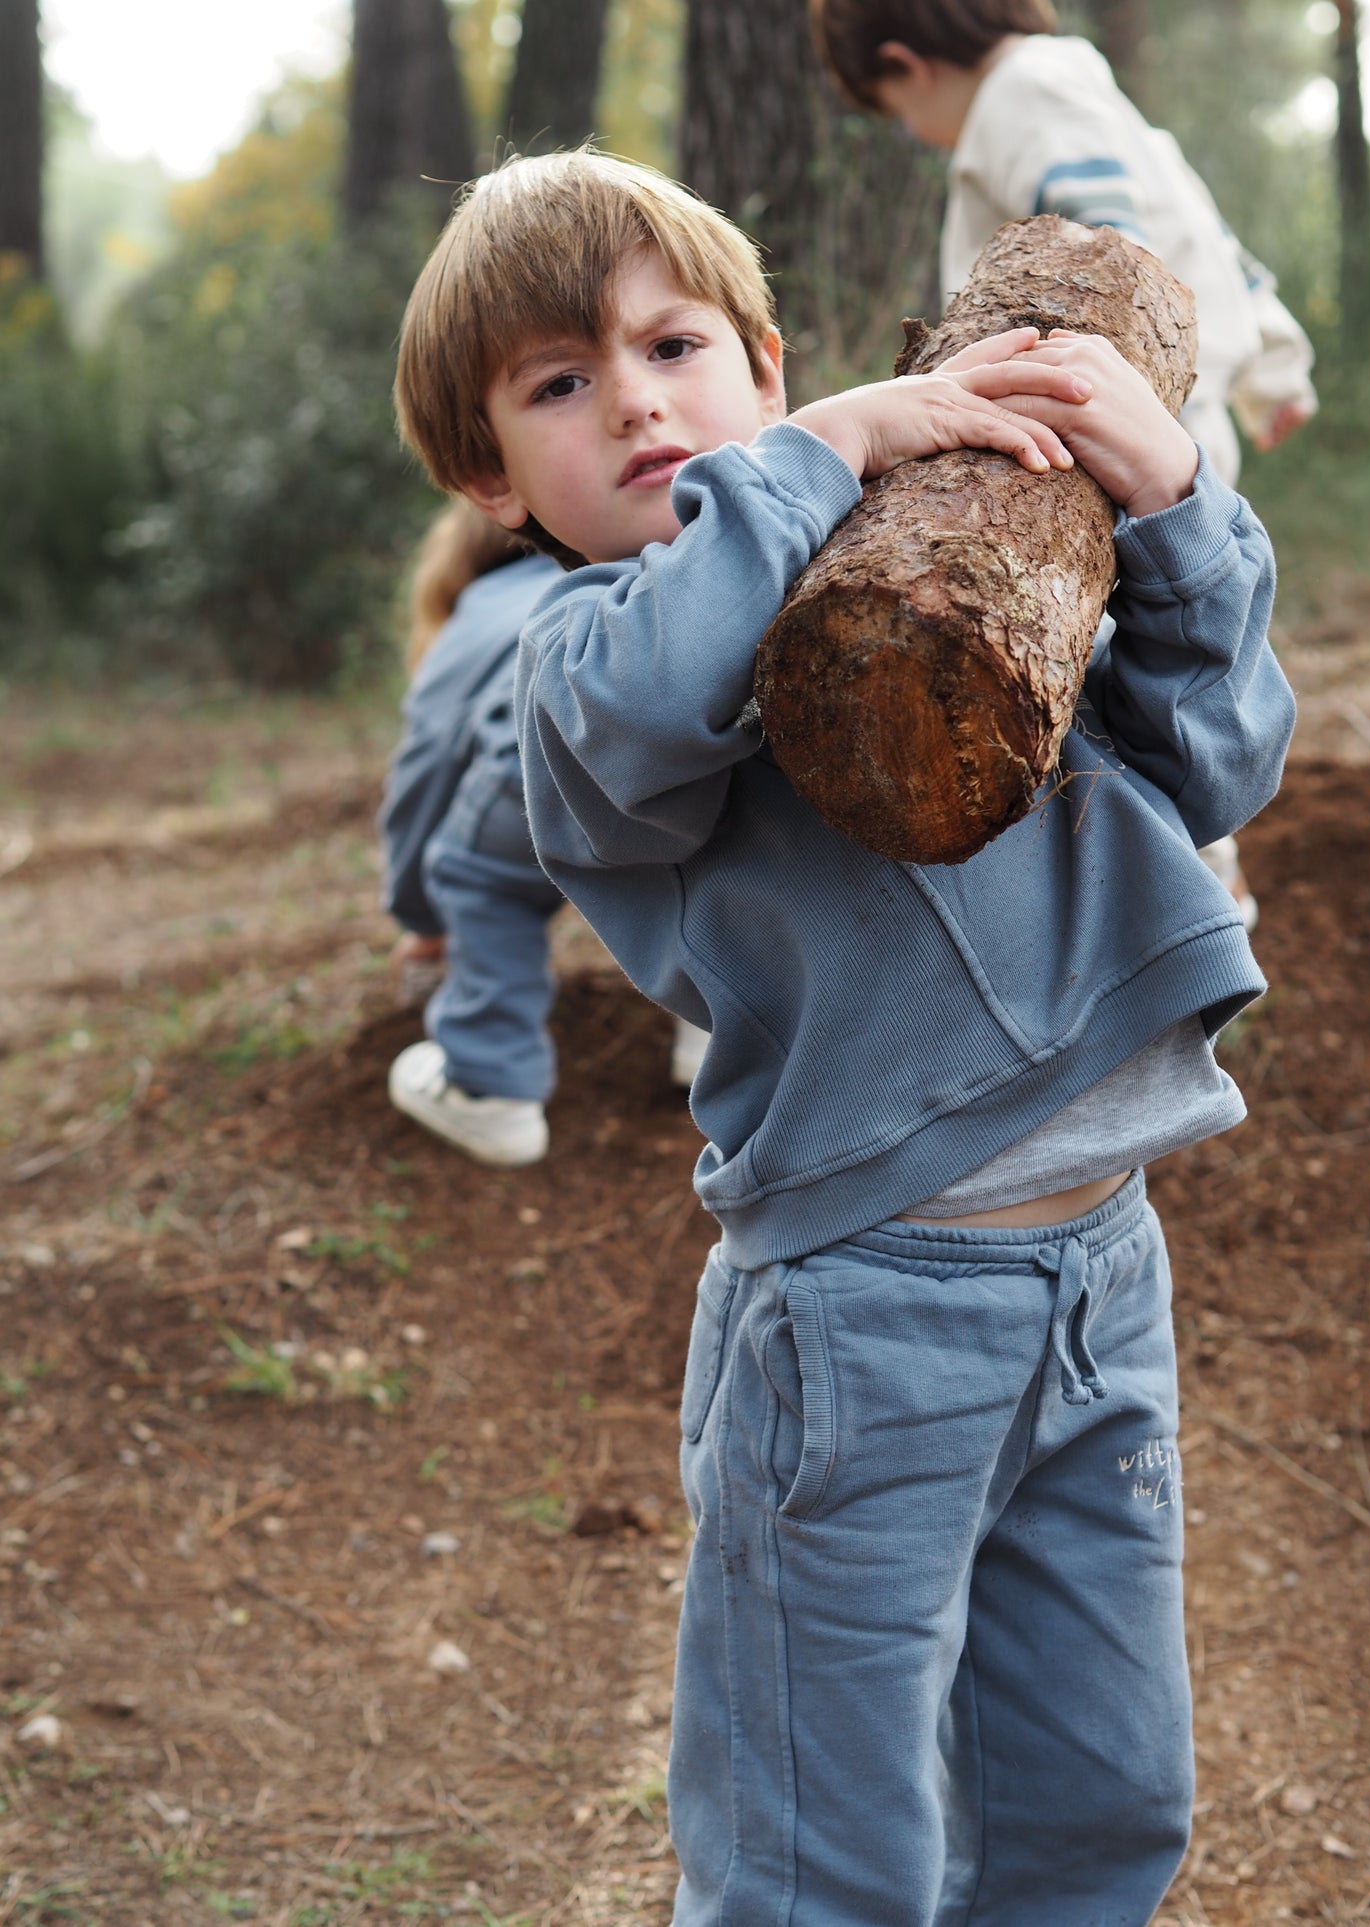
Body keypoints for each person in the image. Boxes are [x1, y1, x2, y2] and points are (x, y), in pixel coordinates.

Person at [393, 148, 1293, 1922]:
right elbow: (660, 699)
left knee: (1104, 1796)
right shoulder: (577, 657)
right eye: (562, 385)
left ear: (767, 359)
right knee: (822, 1844)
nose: (639, 401)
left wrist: (1175, 497)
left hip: (1104, 1276)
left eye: (674, 347)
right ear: (494, 479)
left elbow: (1220, 756)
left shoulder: (964, 574)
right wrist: (819, 462)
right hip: (862, 1306)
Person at [809, 0, 1314, 931]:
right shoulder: (1082, 80)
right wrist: (1279, 359)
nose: (916, 135)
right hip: (1164, 410)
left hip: (1102, 421)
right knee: (1161, 645)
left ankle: (1192, 882)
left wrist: (1095, 369)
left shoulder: (1021, 93)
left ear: (904, 62)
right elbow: (1201, 221)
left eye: (894, 109)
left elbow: (1105, 240)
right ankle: (1206, 875)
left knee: (1116, 652)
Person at [378, 500, 708, 1166]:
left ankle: (490, 1089)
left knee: (483, 879)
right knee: (697, 859)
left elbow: (429, 764)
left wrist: (420, 915)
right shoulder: (635, 570)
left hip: (532, 760)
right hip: (669, 749)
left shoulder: (478, 611)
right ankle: (712, 1041)